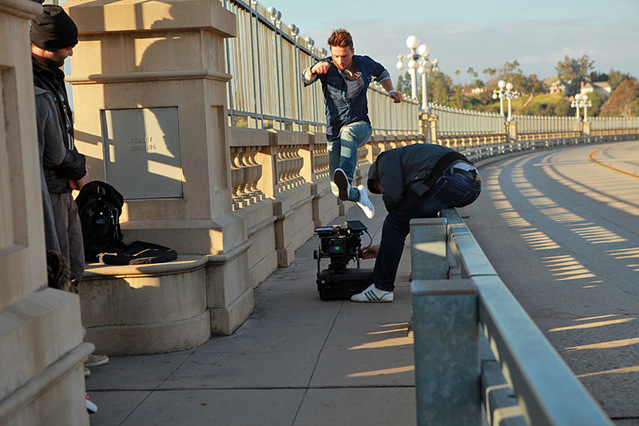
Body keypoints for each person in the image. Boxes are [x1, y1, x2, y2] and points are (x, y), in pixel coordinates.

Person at [31, 4, 109, 372]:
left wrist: (75, 168)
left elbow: (63, 128)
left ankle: (75, 346)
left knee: (75, 265)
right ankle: (67, 354)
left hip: (63, 185)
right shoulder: (31, 82)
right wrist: (75, 166)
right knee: (59, 269)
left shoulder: (51, 73)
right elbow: (50, 146)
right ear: (47, 44)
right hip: (50, 189)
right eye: (66, 46)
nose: (72, 52)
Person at [350, 143, 482, 303]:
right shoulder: (407, 159)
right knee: (420, 212)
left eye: (380, 187)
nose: (382, 190)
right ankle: (428, 272)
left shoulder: (384, 159)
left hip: (451, 179)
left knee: (394, 223)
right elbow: (411, 210)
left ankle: (381, 288)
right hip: (472, 184)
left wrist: (391, 237)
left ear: (377, 176)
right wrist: (385, 247)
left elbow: (393, 198)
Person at [302, 28, 402, 219]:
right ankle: (359, 194)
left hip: (360, 126)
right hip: (334, 132)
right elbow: (305, 78)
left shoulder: (364, 63)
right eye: (336, 56)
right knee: (337, 190)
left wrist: (390, 91)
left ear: (352, 51)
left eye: (345, 56)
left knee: (348, 132)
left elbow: (382, 72)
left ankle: (347, 178)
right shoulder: (326, 66)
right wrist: (313, 70)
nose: (340, 61)